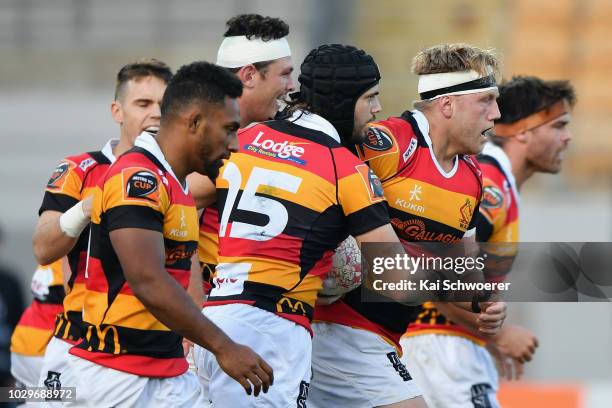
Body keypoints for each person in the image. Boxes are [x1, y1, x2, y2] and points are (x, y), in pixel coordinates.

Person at [62, 61, 273, 406]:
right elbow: (147, 279)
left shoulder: (175, 182)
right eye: (229, 129)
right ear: (194, 122)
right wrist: (224, 347)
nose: (234, 144)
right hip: (116, 376)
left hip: (167, 369)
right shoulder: (138, 178)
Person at [311, 43, 507, 408]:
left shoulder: (473, 180)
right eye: (486, 100)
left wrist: (484, 302)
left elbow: (460, 276)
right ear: (447, 105)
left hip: (384, 338)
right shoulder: (387, 144)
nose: (496, 114)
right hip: (338, 330)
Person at [30, 59, 172, 394]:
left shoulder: (180, 176)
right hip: (78, 344)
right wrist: (86, 207)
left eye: (164, 105)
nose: (155, 113)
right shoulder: (81, 169)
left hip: (159, 350)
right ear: (117, 111)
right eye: (143, 103)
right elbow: (43, 248)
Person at [472, 76, 573, 385]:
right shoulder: (489, 184)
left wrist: (487, 339)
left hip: (456, 344)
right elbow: (433, 267)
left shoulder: (500, 183)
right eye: (558, 126)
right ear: (523, 132)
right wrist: (500, 334)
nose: (567, 138)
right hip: (437, 345)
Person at [10, 259, 65, 388]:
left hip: (23, 343)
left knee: (29, 402)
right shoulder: (73, 251)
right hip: (48, 347)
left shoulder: (51, 248)